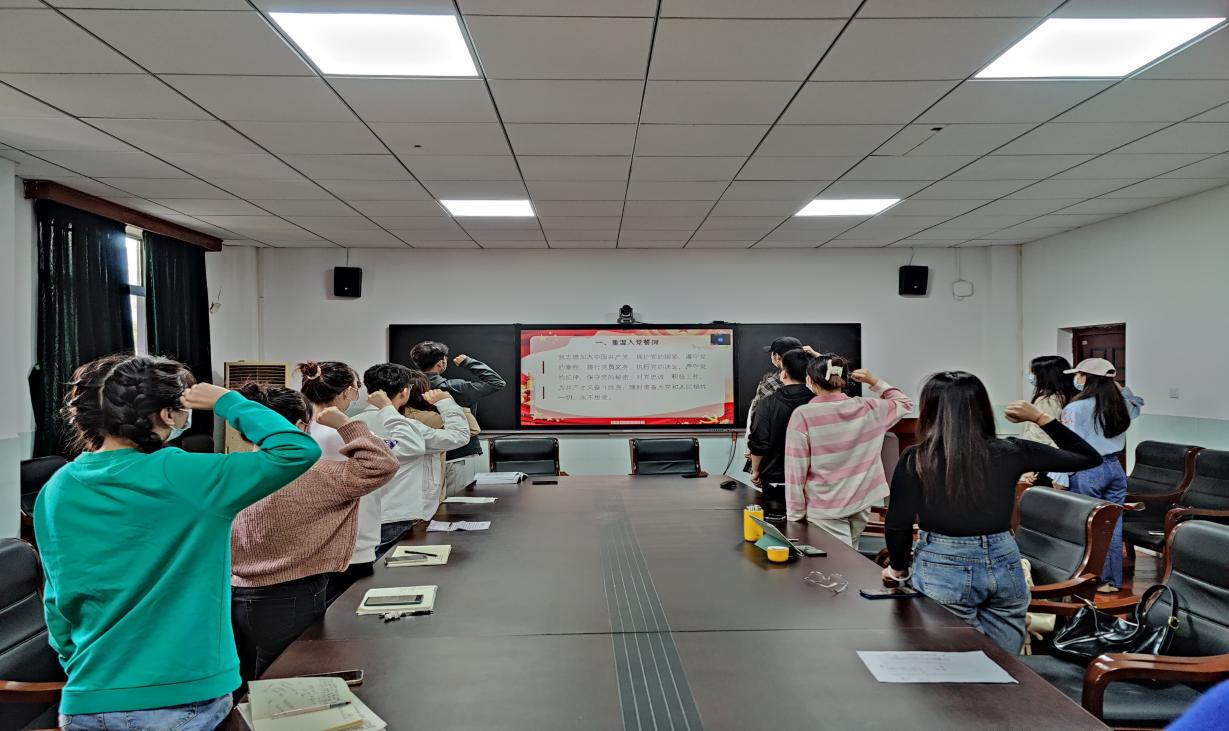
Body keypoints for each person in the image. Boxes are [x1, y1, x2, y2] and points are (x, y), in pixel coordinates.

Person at [35, 354, 320, 730]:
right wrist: (227, 401)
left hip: (87, 697)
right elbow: (297, 449)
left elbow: (56, 598)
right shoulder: (187, 475)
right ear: (168, 414)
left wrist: (80, 664)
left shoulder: (57, 486)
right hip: (181, 696)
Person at [882, 371, 1101, 654]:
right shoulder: (1010, 450)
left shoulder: (917, 457)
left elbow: (898, 522)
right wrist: (1040, 418)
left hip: (944, 564)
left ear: (929, 410)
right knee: (1004, 661)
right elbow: (1088, 456)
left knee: (955, 662)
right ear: (982, 408)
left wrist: (898, 568)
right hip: (1004, 559)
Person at [230, 383, 396, 683]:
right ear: (299, 426)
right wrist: (345, 424)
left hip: (234, 591)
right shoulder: (315, 474)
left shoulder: (227, 469)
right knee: (288, 680)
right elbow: (381, 463)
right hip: (291, 595)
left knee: (244, 680)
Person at [784, 355, 912, 547]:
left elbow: (795, 473)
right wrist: (874, 381)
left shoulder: (803, 415)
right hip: (861, 503)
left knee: (839, 563)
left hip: (825, 508)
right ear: (843, 380)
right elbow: (904, 403)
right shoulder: (869, 408)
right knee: (852, 556)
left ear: (810, 381)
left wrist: (794, 518)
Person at [354, 363, 470, 555]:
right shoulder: (409, 428)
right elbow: (459, 436)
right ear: (404, 391)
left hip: (359, 515)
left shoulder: (350, 425)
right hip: (397, 515)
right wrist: (446, 402)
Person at [1057, 357, 1145, 593]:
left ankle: (1088, 578)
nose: (1076, 379)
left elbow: (1069, 446)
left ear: (1088, 378)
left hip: (1086, 470)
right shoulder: (1121, 404)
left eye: (1079, 374)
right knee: (1112, 525)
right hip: (1115, 469)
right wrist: (1119, 387)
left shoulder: (1075, 408)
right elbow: (1137, 402)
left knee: (1087, 526)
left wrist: (1060, 478)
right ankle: (1110, 581)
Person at [297, 360, 380, 603]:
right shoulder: (348, 434)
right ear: (346, 392)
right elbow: (384, 464)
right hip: (352, 541)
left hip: (312, 539)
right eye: (356, 388)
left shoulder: (297, 432)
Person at [410, 341, 505, 493]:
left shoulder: (407, 388)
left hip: (422, 452)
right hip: (455, 454)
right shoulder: (454, 387)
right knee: (454, 502)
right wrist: (468, 362)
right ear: (441, 363)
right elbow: (496, 382)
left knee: (427, 500)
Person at [747, 348, 816, 519]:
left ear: (783, 374)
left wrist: (755, 471)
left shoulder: (767, 404)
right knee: (811, 527)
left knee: (777, 525)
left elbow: (759, 442)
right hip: (813, 480)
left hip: (775, 479)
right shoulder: (818, 403)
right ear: (809, 376)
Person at [1018, 355, 1080, 486]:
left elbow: (1040, 437)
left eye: (1033, 372)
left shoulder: (1046, 400)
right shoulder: (1072, 397)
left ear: (1045, 375)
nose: (1031, 376)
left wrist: (1028, 466)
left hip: (1047, 465)